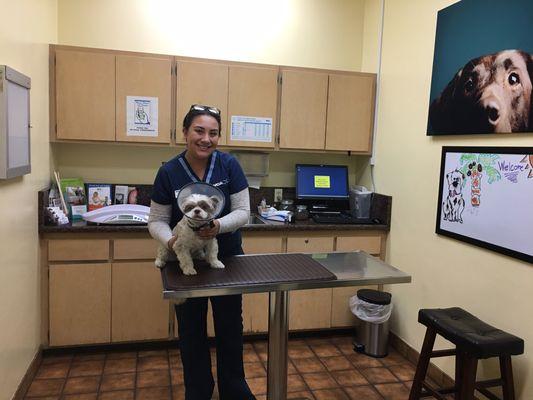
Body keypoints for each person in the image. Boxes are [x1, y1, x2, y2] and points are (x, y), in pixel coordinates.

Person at [148, 104, 255, 400]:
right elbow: (156, 220)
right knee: (191, 332)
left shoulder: (229, 165)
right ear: (184, 132)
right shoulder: (168, 171)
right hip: (185, 261)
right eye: (199, 130)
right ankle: (198, 391)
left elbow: (244, 212)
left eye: (213, 132)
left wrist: (217, 226)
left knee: (231, 328)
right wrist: (171, 242)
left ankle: (234, 389)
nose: (206, 138)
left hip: (226, 257)